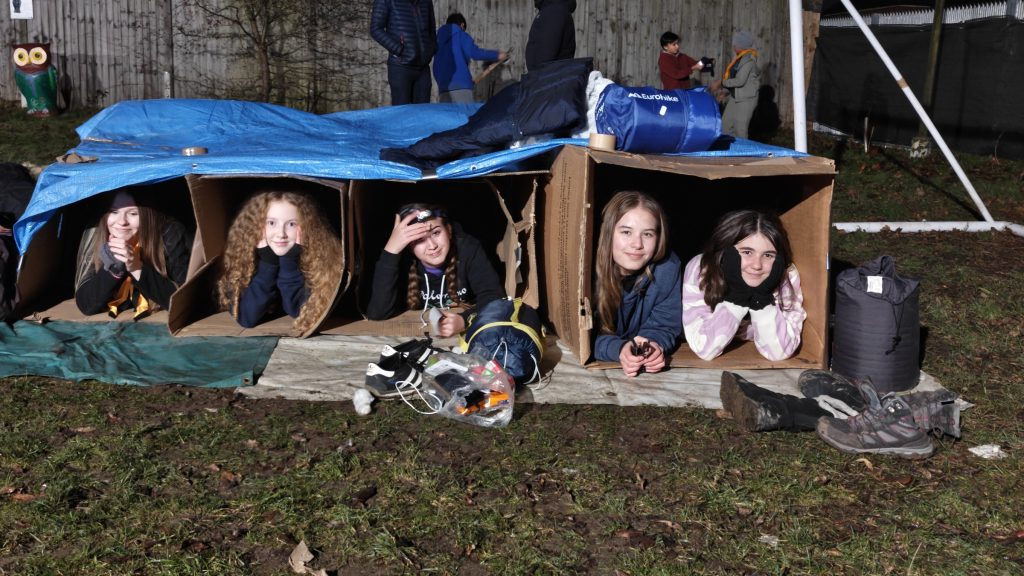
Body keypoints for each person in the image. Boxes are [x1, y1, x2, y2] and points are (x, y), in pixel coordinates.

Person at [682, 210, 805, 362]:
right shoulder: (701, 268)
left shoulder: (786, 275)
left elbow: (779, 352)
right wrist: (737, 296)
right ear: (725, 252)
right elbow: (704, 350)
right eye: (747, 252)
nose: (757, 265)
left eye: (768, 255)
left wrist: (762, 297)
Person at [366, 204, 504, 338]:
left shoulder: (468, 248)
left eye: (436, 233)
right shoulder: (402, 262)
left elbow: (494, 296)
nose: (432, 246)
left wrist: (465, 320)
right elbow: (378, 313)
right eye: (419, 240)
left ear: (449, 230)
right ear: (408, 246)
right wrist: (391, 250)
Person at [217, 190, 342, 334]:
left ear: (306, 227)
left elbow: (299, 311)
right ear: (255, 225)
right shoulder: (242, 259)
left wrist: (289, 261)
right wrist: (268, 263)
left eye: (291, 224)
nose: (281, 234)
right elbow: (247, 318)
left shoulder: (319, 258)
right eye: (271, 223)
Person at [592, 191, 682, 377]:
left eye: (647, 234)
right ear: (608, 233)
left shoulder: (667, 269)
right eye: (626, 232)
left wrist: (652, 345)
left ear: (658, 238)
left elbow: (664, 325)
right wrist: (619, 348)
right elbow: (581, 337)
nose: (637, 244)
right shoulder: (585, 271)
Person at [75, 190, 191, 319]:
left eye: (133, 213)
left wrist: (136, 268)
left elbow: (184, 304)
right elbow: (86, 305)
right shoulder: (98, 234)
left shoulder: (170, 234)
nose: (122, 222)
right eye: (114, 212)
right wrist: (114, 269)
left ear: (147, 215)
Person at [370, 0, 437, 106]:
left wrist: (431, 49)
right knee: (401, 115)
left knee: (423, 115)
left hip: (423, 68)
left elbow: (431, 29)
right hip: (400, 67)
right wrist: (399, 50)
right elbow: (375, 29)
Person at [433, 13, 508, 104]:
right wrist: (497, 55)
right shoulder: (461, 35)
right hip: (462, 88)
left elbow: (435, 67)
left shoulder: (438, 40)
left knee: (447, 117)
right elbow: (475, 53)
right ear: (462, 25)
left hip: (444, 89)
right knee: (464, 117)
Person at [709, 31, 761, 138]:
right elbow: (734, 79)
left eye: (735, 43)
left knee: (740, 129)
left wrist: (721, 83)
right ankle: (729, 150)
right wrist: (726, 92)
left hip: (746, 99)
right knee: (725, 125)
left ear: (740, 45)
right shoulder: (738, 58)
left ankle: (744, 153)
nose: (733, 45)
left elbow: (739, 81)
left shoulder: (748, 61)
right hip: (735, 97)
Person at [525, 0, 576, 72]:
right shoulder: (552, 9)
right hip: (548, 77)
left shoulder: (554, 11)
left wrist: (534, 75)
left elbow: (545, 52)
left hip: (547, 78)